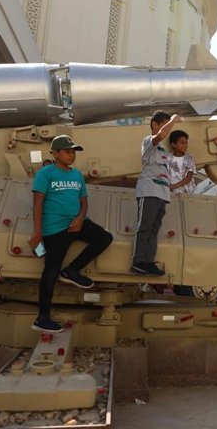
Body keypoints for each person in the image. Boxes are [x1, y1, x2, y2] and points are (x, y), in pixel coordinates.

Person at [29, 135, 113, 333]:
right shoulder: (46, 173)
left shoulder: (76, 175)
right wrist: (37, 232)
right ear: (55, 153)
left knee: (104, 238)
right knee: (51, 270)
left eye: (73, 151)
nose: (72, 154)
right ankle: (42, 317)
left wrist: (79, 219)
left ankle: (72, 271)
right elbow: (37, 204)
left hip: (78, 223)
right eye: (67, 151)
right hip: (55, 228)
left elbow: (84, 201)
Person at [132, 111, 182, 276]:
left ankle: (149, 261)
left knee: (154, 230)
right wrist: (174, 120)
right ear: (155, 124)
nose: (167, 127)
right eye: (164, 123)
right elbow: (162, 134)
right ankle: (138, 261)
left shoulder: (162, 149)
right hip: (149, 190)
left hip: (161, 193)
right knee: (144, 227)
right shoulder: (149, 141)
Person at [166, 130, 196, 194]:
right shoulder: (167, 158)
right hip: (171, 194)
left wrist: (174, 186)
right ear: (173, 144)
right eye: (182, 143)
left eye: (186, 143)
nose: (185, 145)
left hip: (187, 193)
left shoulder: (189, 159)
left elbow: (188, 178)